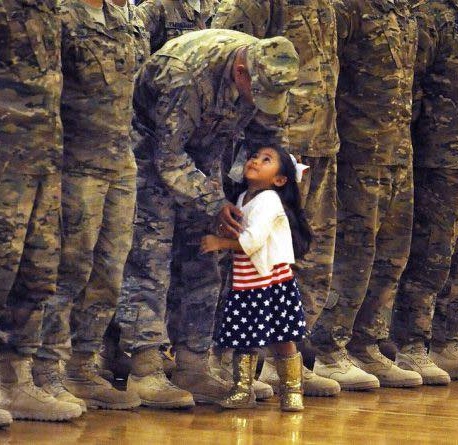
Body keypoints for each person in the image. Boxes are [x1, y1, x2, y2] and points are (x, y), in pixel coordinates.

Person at [132, 28, 299, 404]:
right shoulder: (185, 73)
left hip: (206, 159)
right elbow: (169, 156)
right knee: (150, 262)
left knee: (205, 260)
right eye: (257, 93)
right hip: (151, 159)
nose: (261, 101)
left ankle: (194, 365)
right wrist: (211, 202)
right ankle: (145, 369)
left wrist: (266, 183)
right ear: (241, 73)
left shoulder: (266, 66)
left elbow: (267, 134)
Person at [211, 0, 341, 397]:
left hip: (319, 144)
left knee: (303, 254)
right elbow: (233, 68)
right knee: (246, 264)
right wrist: (260, 151)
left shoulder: (327, 8)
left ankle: (290, 365)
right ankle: (235, 365)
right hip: (276, 145)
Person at [33, 0, 142, 410]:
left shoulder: (124, 20)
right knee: (69, 270)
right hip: (76, 164)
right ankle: (47, 369)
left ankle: (83, 364)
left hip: (120, 164)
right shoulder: (63, 16)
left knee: (110, 272)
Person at [309, 0, 423, 390]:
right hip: (360, 151)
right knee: (353, 252)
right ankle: (327, 348)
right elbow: (326, 75)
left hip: (398, 150)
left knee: (392, 253)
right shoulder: (348, 8)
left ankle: (366, 342)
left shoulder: (404, 13)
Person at [0, 0, 82, 422]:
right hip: (6, 160)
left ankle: (15, 382)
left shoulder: (53, 10)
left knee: (38, 272)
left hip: (45, 159)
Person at [200, 146, 309, 411]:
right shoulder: (242, 199)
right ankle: (241, 388)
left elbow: (253, 241)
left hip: (272, 283)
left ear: (280, 180)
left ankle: (292, 390)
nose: (256, 161)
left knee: (283, 337)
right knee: (244, 337)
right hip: (248, 282)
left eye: (266, 160)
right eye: (255, 157)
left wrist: (220, 242)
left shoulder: (269, 200)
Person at [389, 0, 458, 385]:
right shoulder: (431, 15)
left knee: (451, 254)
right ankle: (413, 343)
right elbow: (406, 86)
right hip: (436, 153)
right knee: (431, 251)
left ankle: (447, 338)